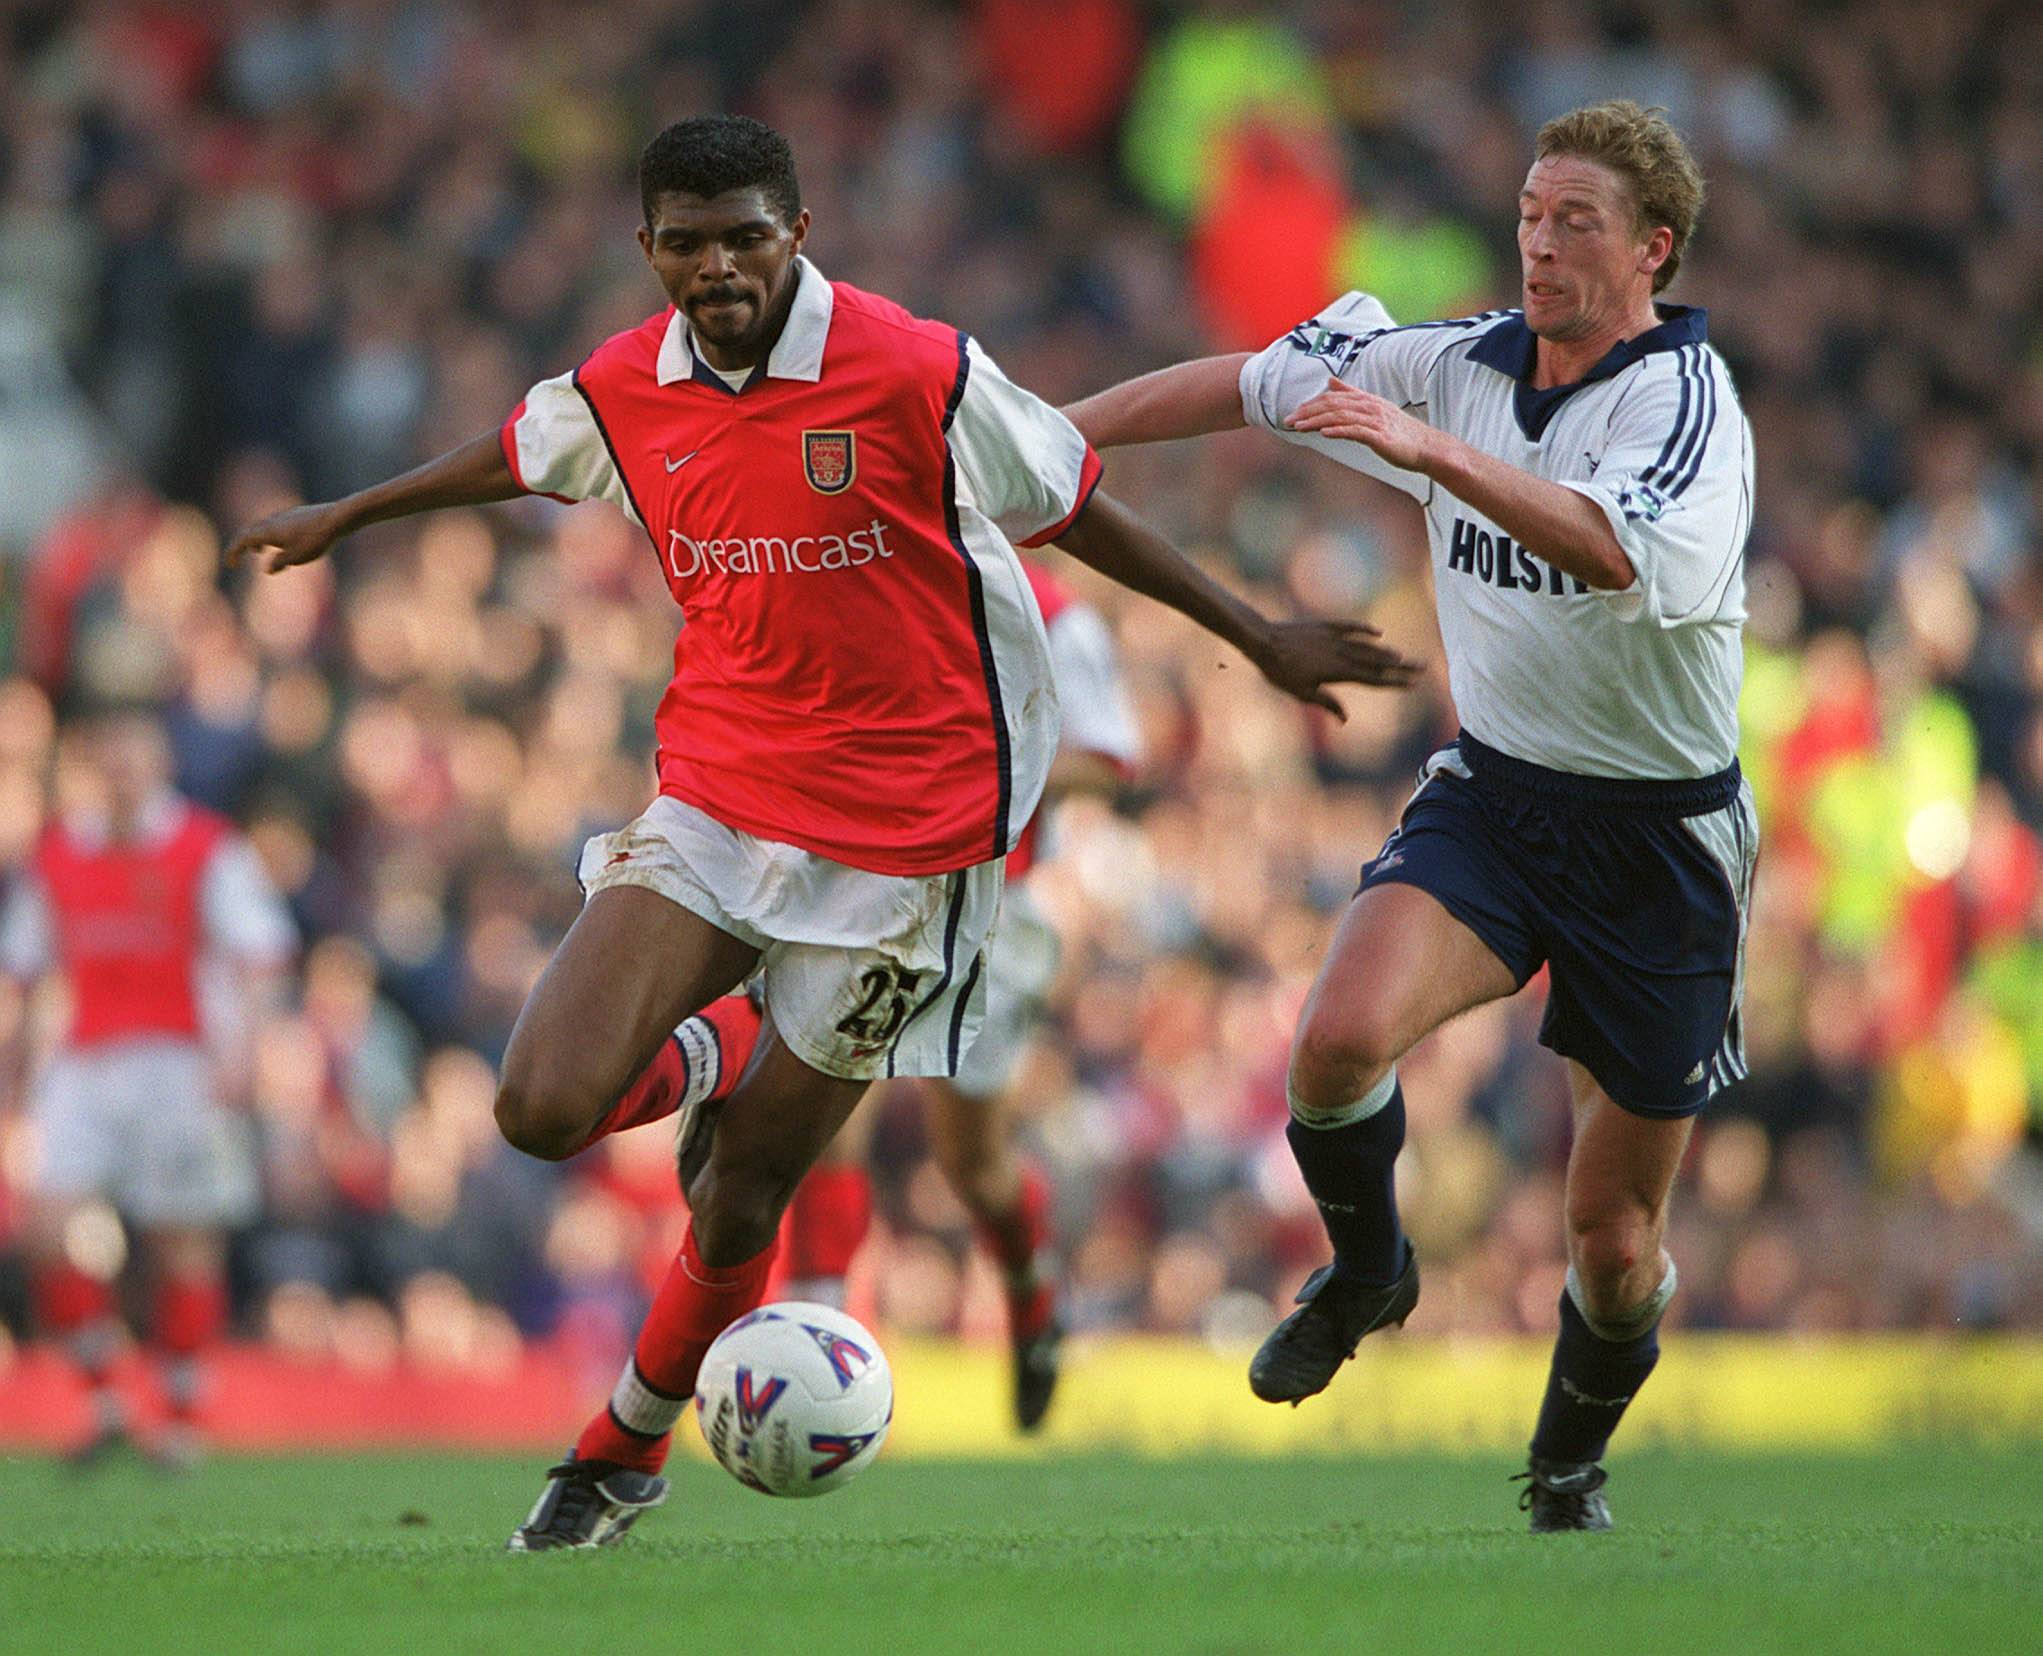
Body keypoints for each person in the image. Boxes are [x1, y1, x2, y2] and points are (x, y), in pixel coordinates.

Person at [226, 113, 1419, 1550]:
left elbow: (1075, 500)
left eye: (744, 234)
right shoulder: (627, 384)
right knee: (538, 1110)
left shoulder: (913, 364)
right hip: (723, 794)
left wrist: (1258, 634)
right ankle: (728, 1043)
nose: (717, 264)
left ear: (796, 230)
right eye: (686, 241)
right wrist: (347, 516)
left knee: (744, 1197)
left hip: (911, 843)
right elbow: (518, 451)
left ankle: (617, 1454)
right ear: (648, 247)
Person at [1066, 100, 1756, 1532]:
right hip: (1500, 795)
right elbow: (1241, 381)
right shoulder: (1450, 365)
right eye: (1527, 211)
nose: (1539, 242)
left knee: (1611, 1240)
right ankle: (1369, 1270)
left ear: (1652, 249)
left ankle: (1563, 1462)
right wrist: (1035, 460)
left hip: (1658, 842)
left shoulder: (1685, 407)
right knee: (1327, 1047)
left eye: (1575, 220)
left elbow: (1609, 549)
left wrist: (1427, 454)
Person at [773, 553, 1141, 1432]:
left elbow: (1111, 759)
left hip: (991, 910)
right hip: (864, 891)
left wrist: (977, 766)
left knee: (971, 1165)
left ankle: (1030, 1293)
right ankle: (816, 1350)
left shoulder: (1053, 613)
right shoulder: (857, 576)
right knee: (823, 1122)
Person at [1, 711, 296, 1466]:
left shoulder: (205, 848)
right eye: (111, 764)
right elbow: (27, 971)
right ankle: (106, 1399)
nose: (124, 777)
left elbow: (261, 955)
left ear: (159, 766)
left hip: (181, 1059)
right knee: (44, 1225)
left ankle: (180, 1414)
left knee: (182, 1240)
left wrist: (244, 1053)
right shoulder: (61, 852)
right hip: (87, 1060)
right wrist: (16, 1074)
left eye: (136, 763)